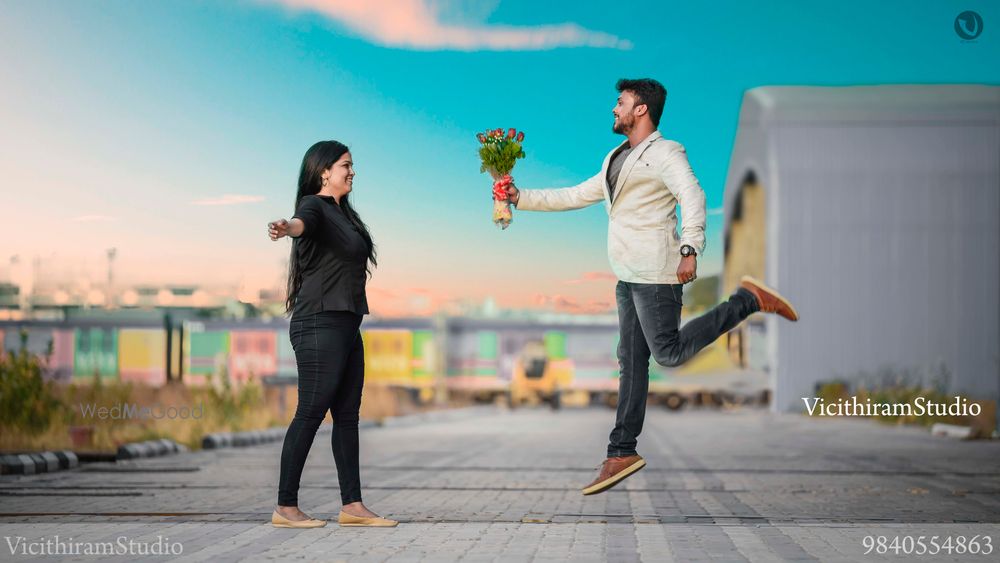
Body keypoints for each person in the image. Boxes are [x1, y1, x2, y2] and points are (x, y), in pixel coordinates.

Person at [504, 79, 799, 496]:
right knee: (631, 362)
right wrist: (520, 197)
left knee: (669, 353)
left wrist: (690, 247)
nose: (614, 109)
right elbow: (576, 194)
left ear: (641, 109)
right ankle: (621, 451)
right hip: (628, 276)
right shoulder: (616, 157)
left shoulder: (666, 152)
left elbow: (692, 195)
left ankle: (747, 300)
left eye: (621, 102)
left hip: (657, 274)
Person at [266, 140, 396, 528]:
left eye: (352, 165)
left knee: (347, 416)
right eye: (345, 165)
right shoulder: (315, 206)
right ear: (325, 172)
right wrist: (287, 227)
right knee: (310, 412)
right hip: (319, 323)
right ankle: (285, 507)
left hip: (347, 324)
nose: (352, 171)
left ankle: (352, 506)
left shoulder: (345, 214)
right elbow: (301, 223)